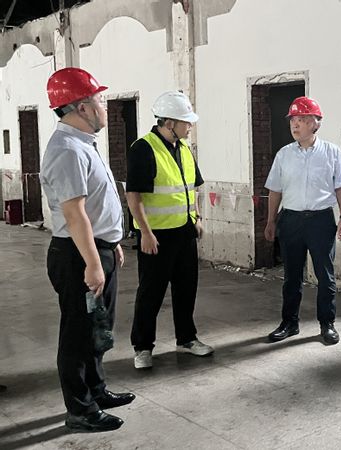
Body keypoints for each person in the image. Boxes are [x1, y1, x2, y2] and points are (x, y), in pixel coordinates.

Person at [41, 67, 134, 432]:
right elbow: (74, 214)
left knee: (97, 328)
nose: (103, 106)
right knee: (78, 334)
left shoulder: (83, 144)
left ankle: (96, 391)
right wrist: (93, 263)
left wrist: (111, 243)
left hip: (97, 248)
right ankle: (80, 410)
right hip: (78, 255)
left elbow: (95, 205)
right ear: (81, 107)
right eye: (99, 99)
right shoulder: (66, 150)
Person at [126, 91, 213, 369]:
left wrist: (196, 217)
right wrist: (145, 232)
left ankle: (186, 339)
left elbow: (192, 187)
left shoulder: (184, 149)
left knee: (186, 289)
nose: (190, 126)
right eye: (186, 121)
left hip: (184, 231)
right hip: (157, 235)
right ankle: (142, 347)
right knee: (151, 292)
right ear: (169, 122)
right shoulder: (144, 148)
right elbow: (133, 195)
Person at [264, 96, 341, 345]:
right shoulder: (284, 155)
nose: (295, 124)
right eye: (293, 119)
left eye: (301, 119)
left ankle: (327, 324)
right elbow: (275, 190)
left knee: (325, 275)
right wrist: (271, 221)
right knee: (291, 276)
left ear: (316, 123)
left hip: (320, 221)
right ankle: (289, 323)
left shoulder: (331, 152)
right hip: (290, 220)